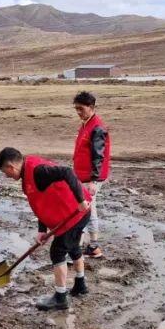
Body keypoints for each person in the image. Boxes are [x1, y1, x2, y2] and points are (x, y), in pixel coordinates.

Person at [0, 147, 91, 310]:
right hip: (69, 214)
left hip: (76, 214)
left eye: (6, 172)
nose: (7, 177)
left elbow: (67, 172)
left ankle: (60, 298)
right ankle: (81, 285)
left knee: (58, 251)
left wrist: (80, 200)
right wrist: (42, 230)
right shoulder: (27, 173)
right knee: (73, 247)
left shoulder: (38, 171)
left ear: (11, 167)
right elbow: (39, 202)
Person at [71, 91, 110, 259]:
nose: (78, 112)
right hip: (82, 176)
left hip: (90, 178)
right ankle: (90, 245)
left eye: (81, 109)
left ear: (91, 107)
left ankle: (91, 246)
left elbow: (98, 155)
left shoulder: (97, 128)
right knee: (86, 208)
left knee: (87, 209)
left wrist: (94, 180)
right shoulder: (86, 124)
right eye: (76, 109)